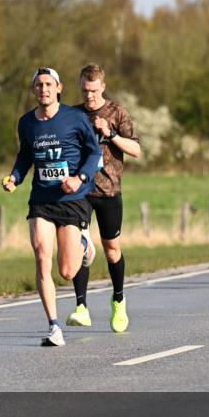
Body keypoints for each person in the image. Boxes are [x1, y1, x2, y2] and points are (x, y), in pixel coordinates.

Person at [2, 67, 103, 346]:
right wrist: (15, 177)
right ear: (33, 90)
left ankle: (84, 244)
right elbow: (25, 156)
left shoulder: (76, 118)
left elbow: (94, 153)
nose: (44, 89)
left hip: (71, 200)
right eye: (39, 85)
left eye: (49, 84)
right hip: (42, 200)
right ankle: (54, 327)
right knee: (42, 257)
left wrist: (80, 178)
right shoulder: (26, 123)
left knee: (67, 271)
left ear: (59, 88)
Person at [65, 63, 141, 334]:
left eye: (94, 91)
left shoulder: (117, 111)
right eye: (85, 90)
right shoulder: (72, 115)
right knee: (78, 246)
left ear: (103, 87)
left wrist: (111, 133)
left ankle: (118, 300)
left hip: (109, 191)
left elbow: (136, 149)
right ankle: (81, 307)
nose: (89, 96)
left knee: (112, 250)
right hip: (80, 192)